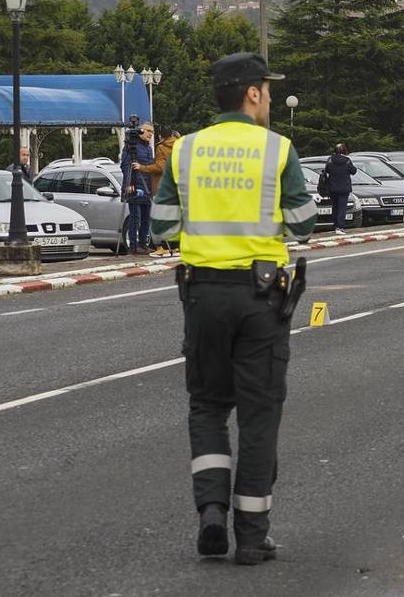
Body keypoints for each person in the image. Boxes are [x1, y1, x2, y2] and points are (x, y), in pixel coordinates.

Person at [149, 52, 317, 566]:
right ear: (252, 94)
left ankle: (211, 514)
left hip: (202, 297)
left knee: (208, 407)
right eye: (266, 90)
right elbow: (303, 225)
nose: (268, 97)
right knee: (259, 416)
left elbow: (160, 227)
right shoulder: (277, 150)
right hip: (261, 299)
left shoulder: (185, 152)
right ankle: (251, 535)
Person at [143, 129, 181, 257]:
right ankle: (175, 247)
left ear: (161, 136)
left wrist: (143, 167)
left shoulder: (161, 147)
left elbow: (160, 166)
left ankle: (161, 248)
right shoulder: (180, 145)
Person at [121, 123, 155, 254]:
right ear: (141, 131)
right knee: (136, 218)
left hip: (147, 187)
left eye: (152, 132)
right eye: (148, 131)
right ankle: (133, 247)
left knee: (146, 218)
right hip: (134, 185)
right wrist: (128, 184)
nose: (150, 134)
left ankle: (143, 244)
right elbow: (124, 165)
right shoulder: (130, 146)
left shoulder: (149, 149)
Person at [321, 143, 356, 235]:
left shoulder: (330, 160)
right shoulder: (347, 160)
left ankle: (335, 225)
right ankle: (340, 227)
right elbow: (353, 171)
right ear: (344, 150)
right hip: (344, 188)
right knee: (342, 207)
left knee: (335, 206)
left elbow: (327, 170)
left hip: (333, 187)